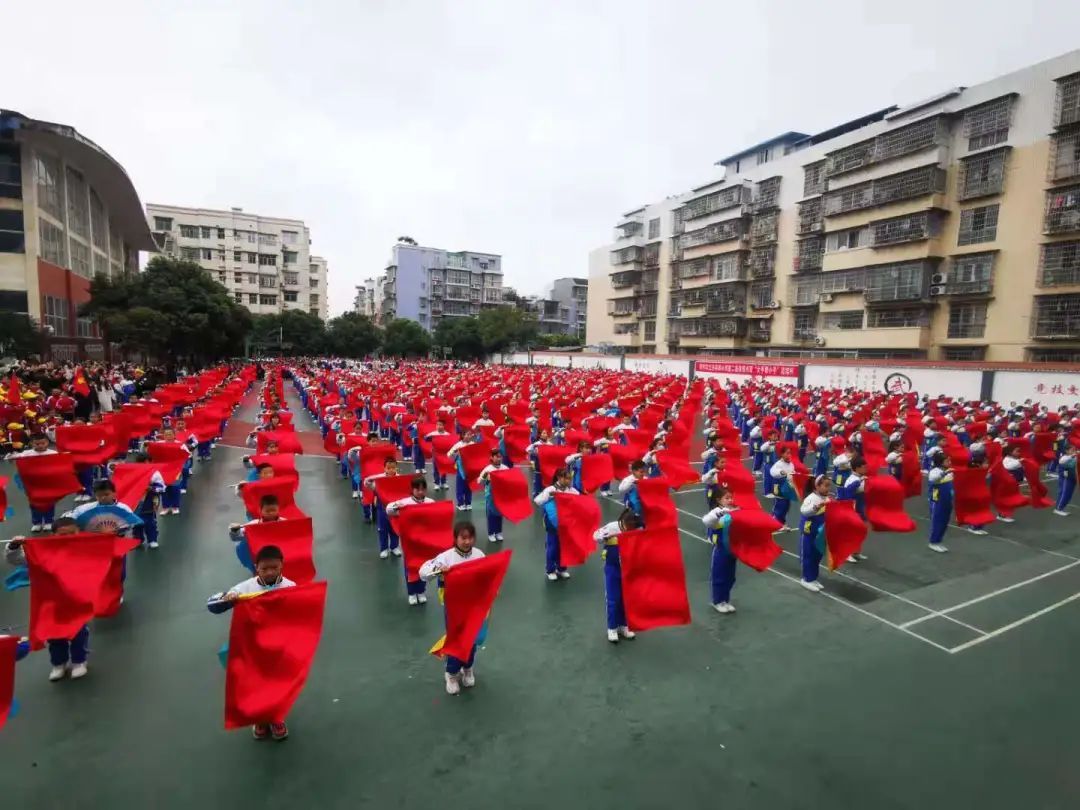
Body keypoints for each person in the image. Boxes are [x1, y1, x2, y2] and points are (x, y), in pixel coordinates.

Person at [206, 544, 296, 741]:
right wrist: (228, 598)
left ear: (282, 565)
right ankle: (260, 718)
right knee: (255, 684)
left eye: (274, 567)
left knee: (276, 684)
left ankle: (276, 717)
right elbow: (212, 606)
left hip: (278, 646)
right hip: (253, 645)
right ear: (256, 567)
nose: (270, 572)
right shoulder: (245, 588)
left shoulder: (290, 587)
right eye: (265, 569)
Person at [4, 517, 90, 681]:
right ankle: (59, 664)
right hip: (50, 602)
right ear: (53, 534)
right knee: (54, 633)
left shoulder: (85, 548)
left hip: (77, 600)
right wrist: (14, 546)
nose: (68, 537)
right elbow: (18, 559)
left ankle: (79, 661)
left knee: (79, 633)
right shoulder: (43, 549)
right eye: (62, 534)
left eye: (72, 533)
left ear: (79, 531)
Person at [418, 521, 485, 695]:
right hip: (453, 605)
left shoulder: (479, 555)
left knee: (472, 637)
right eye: (463, 538)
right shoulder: (445, 557)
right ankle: (452, 673)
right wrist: (438, 569)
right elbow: (423, 573)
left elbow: (487, 576)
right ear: (455, 538)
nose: (467, 542)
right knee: (456, 639)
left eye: (470, 538)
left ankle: (468, 667)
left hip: (474, 604)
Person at [593, 508, 641, 641]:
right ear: (624, 522)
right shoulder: (611, 527)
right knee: (613, 599)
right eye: (630, 526)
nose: (631, 529)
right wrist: (604, 537)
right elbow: (595, 536)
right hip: (612, 568)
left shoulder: (634, 530)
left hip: (627, 569)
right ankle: (612, 628)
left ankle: (624, 625)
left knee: (626, 598)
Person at [386, 475, 435, 605]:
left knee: (424, 566)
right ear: (412, 490)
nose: (420, 492)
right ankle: (412, 593)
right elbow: (389, 510)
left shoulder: (430, 502)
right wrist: (397, 506)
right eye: (417, 489)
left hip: (424, 541)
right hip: (410, 542)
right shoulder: (405, 502)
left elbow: (437, 517)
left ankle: (421, 591)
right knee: (410, 567)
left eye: (423, 489)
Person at [7, 432, 59, 532]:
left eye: (42, 443)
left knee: (49, 502)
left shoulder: (53, 453)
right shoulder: (26, 454)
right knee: (34, 503)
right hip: (31, 483)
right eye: (37, 444)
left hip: (48, 482)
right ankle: (37, 522)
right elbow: (14, 459)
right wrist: (11, 458)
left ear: (47, 442)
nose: (40, 446)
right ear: (31, 443)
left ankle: (49, 521)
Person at [534, 466, 579, 581]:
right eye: (566, 479)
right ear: (559, 478)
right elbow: (537, 501)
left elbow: (579, 501)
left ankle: (562, 568)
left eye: (570, 479)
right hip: (552, 523)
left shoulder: (571, 490)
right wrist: (549, 496)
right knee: (552, 547)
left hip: (566, 523)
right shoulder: (550, 489)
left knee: (564, 547)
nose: (569, 481)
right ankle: (550, 570)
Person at [701, 487, 739, 613]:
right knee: (719, 576)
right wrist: (721, 513)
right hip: (720, 550)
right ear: (719, 500)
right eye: (726, 498)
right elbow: (706, 520)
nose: (730, 500)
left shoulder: (734, 510)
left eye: (731, 497)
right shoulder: (716, 512)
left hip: (732, 550)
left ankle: (725, 600)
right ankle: (717, 601)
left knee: (730, 577)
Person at [228, 494, 282, 574]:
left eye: (273, 510)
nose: (271, 513)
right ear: (261, 511)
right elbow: (236, 538)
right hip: (261, 555)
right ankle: (256, 571)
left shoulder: (285, 523)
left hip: (279, 553)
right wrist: (234, 531)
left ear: (278, 510)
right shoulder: (253, 525)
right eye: (267, 511)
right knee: (243, 545)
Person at [364, 456, 404, 559]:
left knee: (395, 528)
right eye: (388, 468)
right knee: (383, 529)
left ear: (396, 468)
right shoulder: (379, 479)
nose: (391, 470)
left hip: (395, 508)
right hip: (382, 508)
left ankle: (394, 547)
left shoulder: (400, 478)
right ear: (384, 468)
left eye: (393, 468)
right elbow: (368, 485)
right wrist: (370, 479)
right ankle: (384, 549)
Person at [799, 475, 832, 593]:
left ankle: (813, 578)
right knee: (808, 555)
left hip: (820, 532)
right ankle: (806, 579)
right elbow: (804, 511)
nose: (828, 488)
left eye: (829, 486)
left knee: (817, 555)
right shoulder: (811, 498)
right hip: (809, 531)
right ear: (817, 486)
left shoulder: (827, 498)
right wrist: (816, 507)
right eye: (826, 486)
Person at [477, 448, 509, 543]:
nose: (499, 459)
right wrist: (484, 477)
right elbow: (479, 482)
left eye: (500, 457)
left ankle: (499, 532)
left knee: (499, 514)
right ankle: (491, 533)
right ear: (491, 457)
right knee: (491, 515)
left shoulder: (505, 468)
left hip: (501, 495)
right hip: (490, 495)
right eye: (496, 457)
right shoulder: (487, 469)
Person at [447, 429, 479, 512]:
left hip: (470, 469)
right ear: (462, 435)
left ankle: (468, 503)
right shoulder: (458, 445)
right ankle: (460, 503)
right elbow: (449, 454)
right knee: (460, 486)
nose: (469, 436)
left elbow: (477, 455)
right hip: (461, 468)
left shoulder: (473, 444)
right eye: (467, 434)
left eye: (470, 434)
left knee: (469, 486)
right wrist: (455, 452)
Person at [927, 455, 953, 553]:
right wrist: (945, 473)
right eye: (947, 460)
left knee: (945, 522)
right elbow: (934, 479)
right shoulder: (935, 471)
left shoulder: (949, 472)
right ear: (941, 462)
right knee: (937, 521)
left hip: (947, 500)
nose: (949, 462)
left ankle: (939, 541)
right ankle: (933, 542)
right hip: (937, 500)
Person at [768, 444, 798, 531]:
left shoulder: (791, 464)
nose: (789, 455)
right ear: (781, 454)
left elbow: (792, 474)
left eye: (790, 453)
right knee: (780, 505)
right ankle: (777, 523)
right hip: (779, 487)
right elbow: (772, 472)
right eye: (787, 453)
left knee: (786, 505)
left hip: (787, 488)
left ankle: (779, 520)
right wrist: (781, 472)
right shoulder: (778, 464)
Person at [1054, 444, 1077, 516]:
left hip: (1072, 478)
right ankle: (1058, 509)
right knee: (1064, 493)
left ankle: (1061, 508)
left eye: (1074, 450)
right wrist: (1072, 456)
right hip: (1066, 478)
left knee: (1068, 494)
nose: (1073, 451)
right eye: (1072, 450)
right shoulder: (1064, 457)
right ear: (1067, 451)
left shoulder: (1073, 457)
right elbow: (1061, 461)